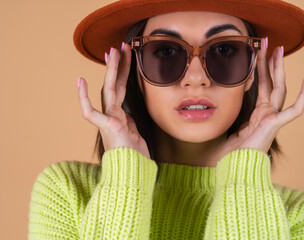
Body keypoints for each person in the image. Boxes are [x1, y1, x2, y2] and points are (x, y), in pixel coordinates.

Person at [28, 0, 304, 239]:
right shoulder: (67, 191)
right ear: (133, 70)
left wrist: (245, 179)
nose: (196, 79)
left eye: (224, 50)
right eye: (166, 51)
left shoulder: (296, 217)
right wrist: (126, 178)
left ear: (252, 70)